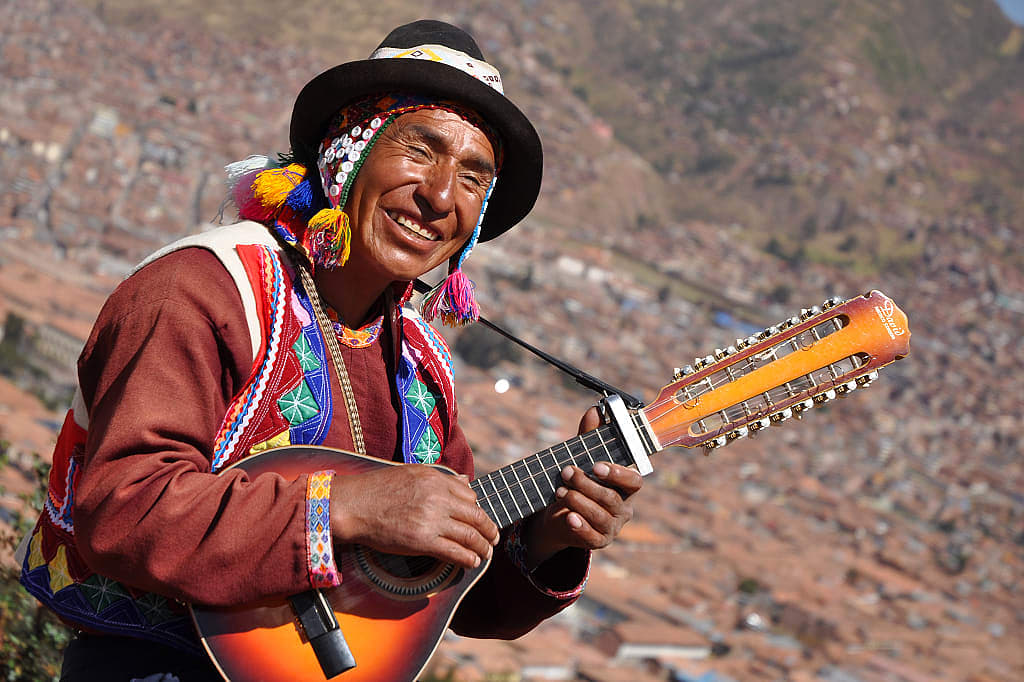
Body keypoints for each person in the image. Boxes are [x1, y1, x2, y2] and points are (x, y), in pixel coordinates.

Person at [17, 20, 643, 681]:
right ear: (347, 151)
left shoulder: (420, 364)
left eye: (472, 176)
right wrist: (346, 508)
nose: (438, 197)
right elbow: (126, 510)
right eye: (419, 151)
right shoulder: (207, 291)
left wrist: (549, 537)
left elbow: (433, 592)